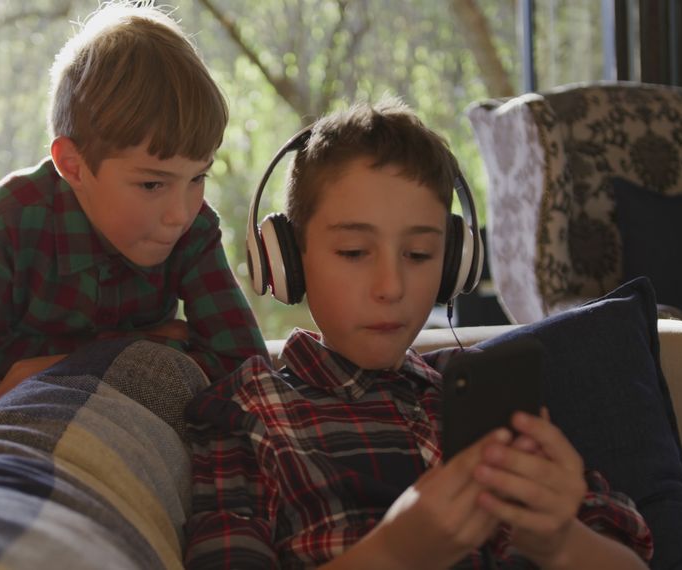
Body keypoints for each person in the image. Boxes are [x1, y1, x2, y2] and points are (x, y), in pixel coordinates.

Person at [184, 99, 654, 569]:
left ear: (455, 265)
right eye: (353, 252)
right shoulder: (246, 413)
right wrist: (395, 553)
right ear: (286, 258)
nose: (391, 287)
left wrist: (560, 541)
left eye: (420, 254)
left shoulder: (488, 396)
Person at [0, 1, 267, 393]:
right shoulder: (3, 224)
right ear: (73, 166)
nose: (181, 213)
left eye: (198, 177)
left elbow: (244, 371)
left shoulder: (194, 230)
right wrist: (155, 344)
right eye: (152, 185)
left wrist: (67, 362)